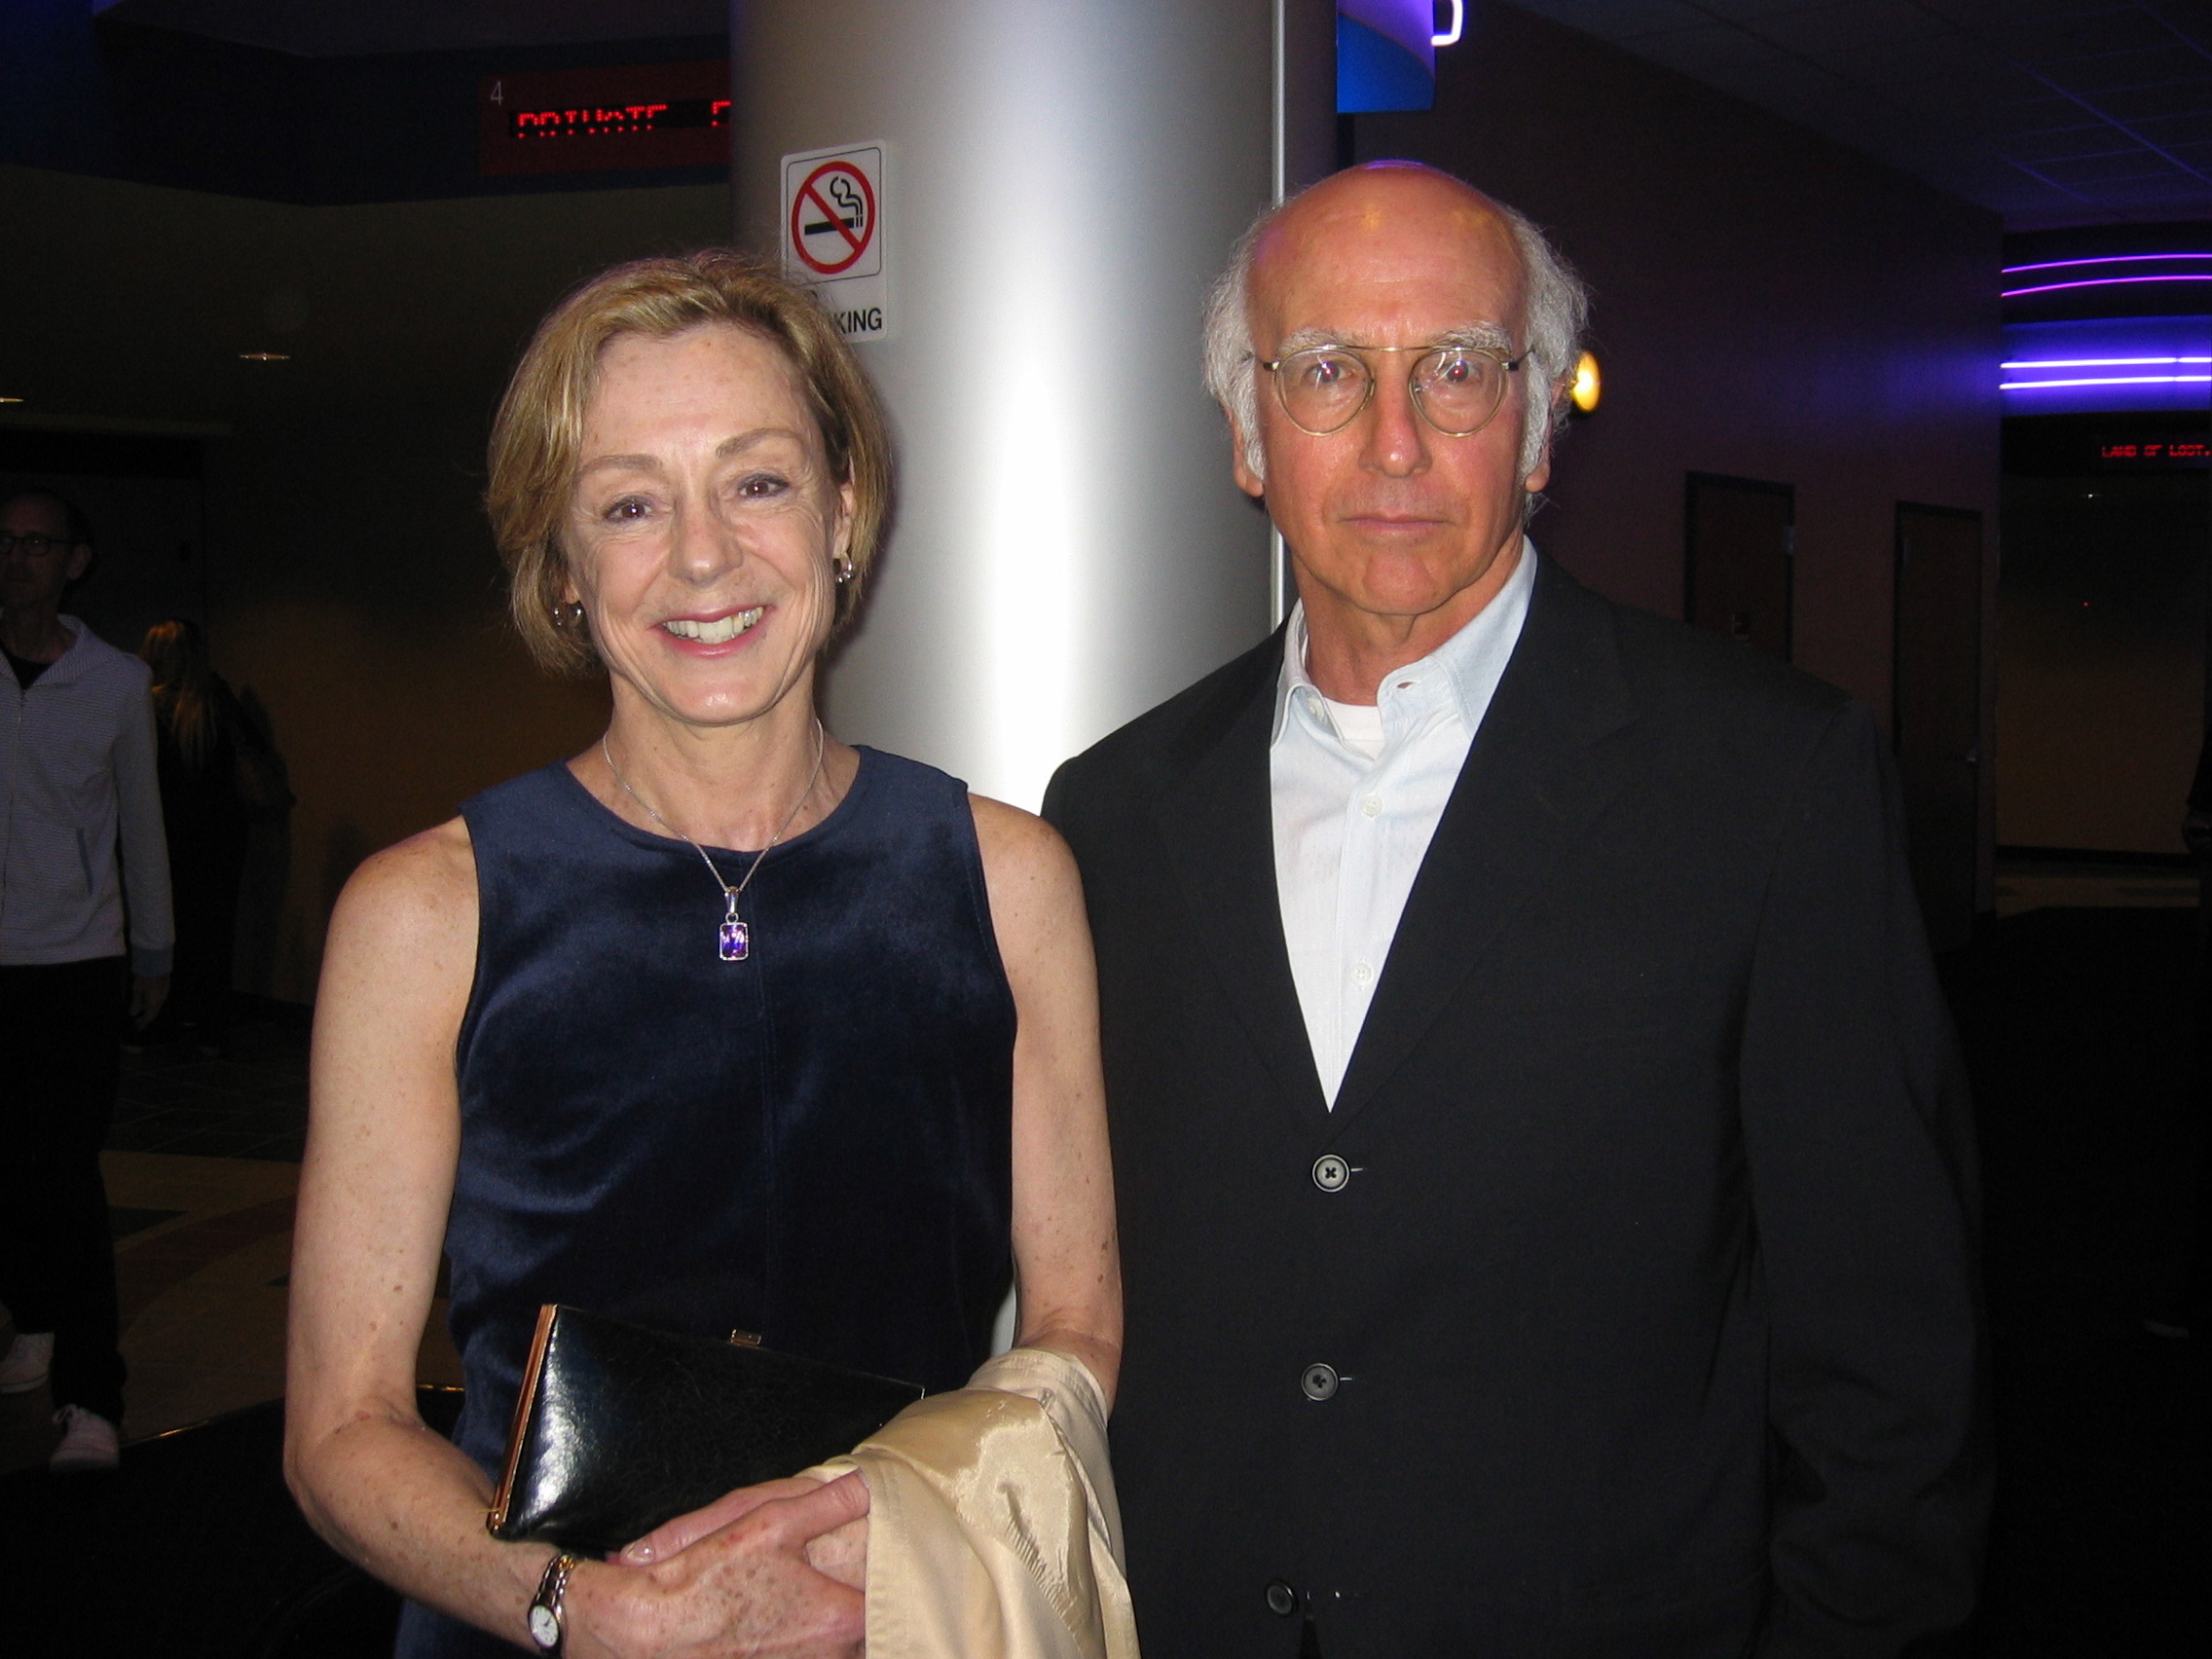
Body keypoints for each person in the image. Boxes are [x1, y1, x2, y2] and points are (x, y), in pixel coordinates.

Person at [1044, 163, 1988, 1657]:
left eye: (1461, 372)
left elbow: (1888, 1370)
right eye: (1328, 374)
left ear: (1541, 424)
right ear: (1246, 431)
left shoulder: (1768, 781)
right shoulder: (1111, 811)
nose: (1397, 440)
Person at [284, 253, 1125, 1658]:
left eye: (757, 481)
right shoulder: (424, 915)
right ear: (561, 567)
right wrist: (584, 1611)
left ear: (844, 511)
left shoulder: (1009, 881)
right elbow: (340, 1427)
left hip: (890, 1619)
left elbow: (1079, 1318)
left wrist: (895, 1539)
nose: (700, 557)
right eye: (628, 503)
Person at [0, 488, 173, 1472]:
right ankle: (33, 1317)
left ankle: (92, 1399)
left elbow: (139, 820)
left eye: (36, 543)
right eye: (5, 541)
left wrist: (153, 949)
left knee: (64, 1177)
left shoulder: (112, 681)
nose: (18, 557)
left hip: (73, 964)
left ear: (75, 560)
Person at [139, 618, 280, 1056]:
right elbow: (254, 750)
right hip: (221, 835)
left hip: (166, 837)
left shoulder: (145, 707)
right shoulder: (217, 699)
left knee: (164, 929)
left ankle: (159, 1022)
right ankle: (210, 1026)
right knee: (215, 930)